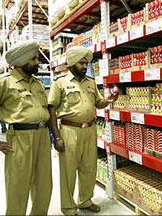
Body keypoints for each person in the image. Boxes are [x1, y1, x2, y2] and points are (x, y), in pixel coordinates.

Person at [48, 46, 118, 216]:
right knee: (68, 170)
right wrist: (56, 137)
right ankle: (68, 206)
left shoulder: (91, 82)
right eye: (81, 63)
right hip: (69, 130)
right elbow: (51, 109)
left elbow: (98, 103)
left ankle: (85, 200)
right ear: (71, 64)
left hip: (90, 129)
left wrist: (108, 100)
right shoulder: (60, 83)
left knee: (89, 168)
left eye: (86, 63)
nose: (84, 66)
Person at [0, 40, 52, 215]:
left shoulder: (38, 84)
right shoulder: (3, 83)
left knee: (43, 184)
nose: (37, 62)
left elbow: (46, 110)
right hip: (20, 138)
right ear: (20, 61)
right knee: (18, 185)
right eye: (33, 59)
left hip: (43, 136)